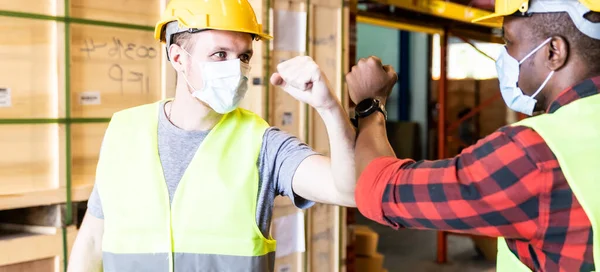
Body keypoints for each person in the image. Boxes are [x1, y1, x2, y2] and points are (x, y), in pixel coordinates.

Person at [67, 0, 357, 271]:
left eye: (244, 56)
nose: (237, 68)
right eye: (220, 54)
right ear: (178, 57)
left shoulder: (263, 144)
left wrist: (329, 107)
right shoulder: (124, 131)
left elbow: (349, 190)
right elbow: (93, 238)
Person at [346, 0, 600, 271]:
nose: (505, 58)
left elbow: (380, 190)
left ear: (554, 52)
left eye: (509, 41)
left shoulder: (536, 154)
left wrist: (370, 104)